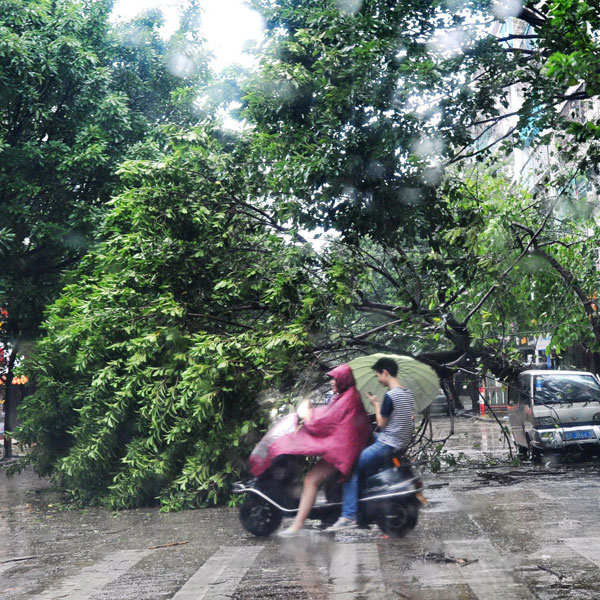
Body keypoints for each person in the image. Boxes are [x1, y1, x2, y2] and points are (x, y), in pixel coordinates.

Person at [250, 364, 371, 537]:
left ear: (343, 380)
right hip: (344, 447)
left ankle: (297, 525)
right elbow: (330, 414)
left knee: (310, 480)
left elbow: (328, 420)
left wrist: (308, 415)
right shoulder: (346, 395)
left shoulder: (349, 398)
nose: (331, 383)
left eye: (334, 379)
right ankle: (319, 517)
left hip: (344, 452)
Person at [326, 357, 415, 531]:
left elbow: (381, 423)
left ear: (385, 373)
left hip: (387, 444)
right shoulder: (408, 393)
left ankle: (348, 516)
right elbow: (407, 418)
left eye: (378, 375)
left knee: (350, 467)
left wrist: (375, 404)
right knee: (365, 438)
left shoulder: (390, 395)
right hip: (401, 441)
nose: (378, 379)